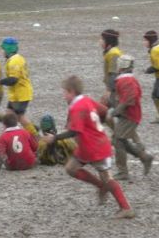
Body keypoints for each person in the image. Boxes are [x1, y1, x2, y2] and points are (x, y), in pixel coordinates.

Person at [41, 75, 135, 219]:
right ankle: (100, 186)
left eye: (64, 92)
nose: (63, 96)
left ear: (71, 92)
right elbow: (104, 113)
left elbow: (74, 131)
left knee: (107, 177)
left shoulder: (77, 107)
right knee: (71, 168)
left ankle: (126, 208)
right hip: (87, 145)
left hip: (95, 147)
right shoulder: (86, 99)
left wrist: (54, 138)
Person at [110, 54, 153, 181]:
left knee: (118, 140)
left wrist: (116, 110)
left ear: (122, 65)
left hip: (129, 115)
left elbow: (130, 99)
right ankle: (144, 157)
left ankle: (124, 171)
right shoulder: (126, 79)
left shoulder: (126, 80)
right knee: (119, 140)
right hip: (128, 115)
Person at [0, 37, 37, 138]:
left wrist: (0, 81)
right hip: (15, 94)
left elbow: (13, 80)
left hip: (21, 94)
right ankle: (7, 136)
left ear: (9, 49)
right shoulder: (15, 59)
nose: (3, 51)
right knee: (8, 115)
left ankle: (36, 136)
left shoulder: (15, 61)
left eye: (4, 49)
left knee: (20, 117)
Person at [100, 29, 121, 108]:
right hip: (113, 88)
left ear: (108, 41)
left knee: (113, 108)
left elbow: (113, 74)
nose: (100, 41)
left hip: (115, 89)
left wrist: (109, 90)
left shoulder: (113, 53)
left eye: (102, 39)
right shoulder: (111, 52)